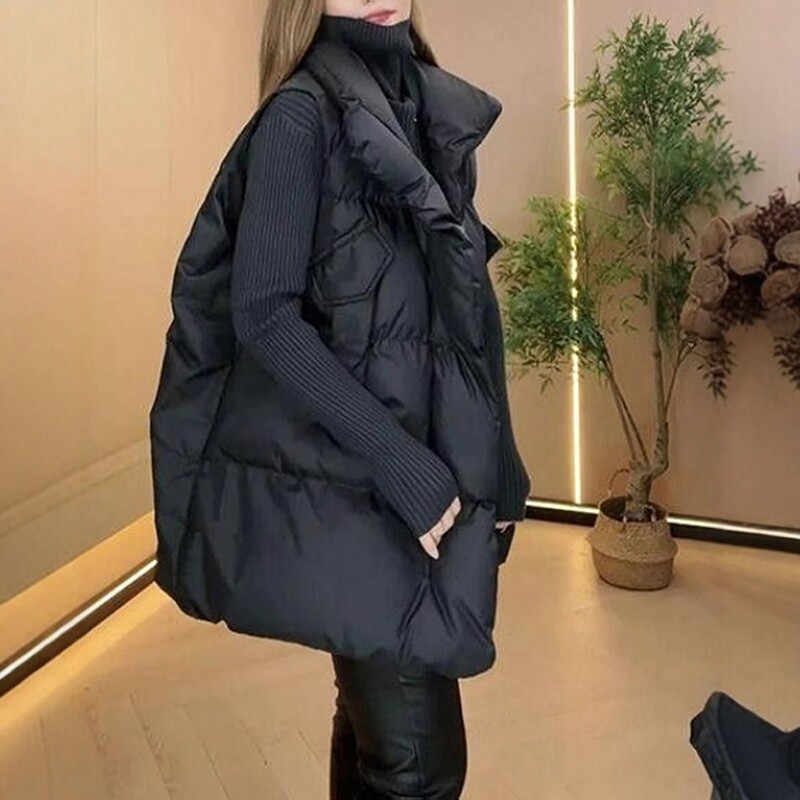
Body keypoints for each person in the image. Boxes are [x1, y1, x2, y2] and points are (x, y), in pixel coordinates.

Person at [151, 0, 530, 797]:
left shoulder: (415, 96)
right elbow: (264, 315)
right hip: (369, 488)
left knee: (377, 738)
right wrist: (401, 466)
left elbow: (457, 311)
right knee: (421, 767)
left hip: (406, 474)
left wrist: (502, 463)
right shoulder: (302, 115)